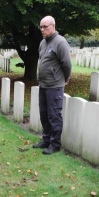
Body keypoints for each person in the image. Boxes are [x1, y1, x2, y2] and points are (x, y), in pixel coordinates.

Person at [33, 15, 72, 155]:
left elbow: (67, 64)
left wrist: (64, 79)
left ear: (53, 26)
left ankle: (55, 144)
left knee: (54, 115)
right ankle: (46, 140)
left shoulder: (60, 42)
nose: (42, 30)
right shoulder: (43, 43)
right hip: (43, 84)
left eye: (45, 27)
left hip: (54, 86)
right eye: (41, 27)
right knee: (44, 114)